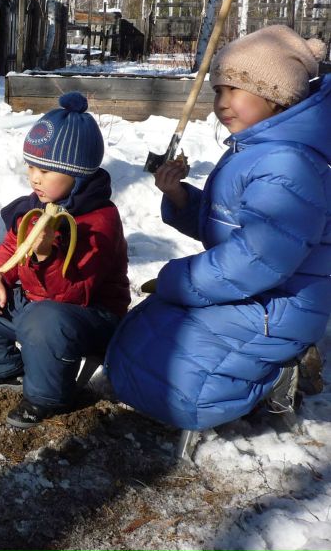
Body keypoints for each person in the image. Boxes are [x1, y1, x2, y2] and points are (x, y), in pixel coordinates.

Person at [105, 25, 331, 431]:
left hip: (278, 306)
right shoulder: (255, 151)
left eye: (235, 90)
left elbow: (259, 259)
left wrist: (179, 278)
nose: (221, 103)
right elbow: (233, 229)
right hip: (248, 293)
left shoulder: (288, 164)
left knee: (180, 392)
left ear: (276, 96)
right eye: (217, 91)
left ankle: (281, 376)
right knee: (135, 351)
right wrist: (180, 199)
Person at [0, 92, 130, 429]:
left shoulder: (99, 220)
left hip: (85, 319)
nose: (34, 177)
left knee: (44, 319)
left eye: (45, 170)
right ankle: (3, 369)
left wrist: (44, 256)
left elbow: (72, 294)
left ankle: (47, 396)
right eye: (30, 166)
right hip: (36, 307)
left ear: (77, 173)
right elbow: (10, 248)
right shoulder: (35, 207)